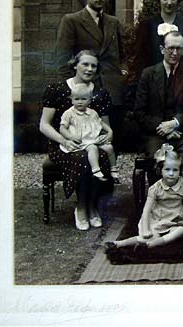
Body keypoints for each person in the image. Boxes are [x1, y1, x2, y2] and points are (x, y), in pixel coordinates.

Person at [39, 50, 114, 231]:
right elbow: (44, 125)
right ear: (74, 65)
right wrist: (63, 140)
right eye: (85, 64)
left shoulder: (100, 94)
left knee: (101, 156)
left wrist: (108, 136)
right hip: (63, 144)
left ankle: (92, 205)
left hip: (91, 142)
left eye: (93, 66)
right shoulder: (57, 89)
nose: (89, 69)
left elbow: (105, 126)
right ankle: (81, 207)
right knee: (81, 157)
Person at [55, 0, 128, 153]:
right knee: (86, 136)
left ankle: (110, 174)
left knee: (112, 133)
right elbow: (62, 58)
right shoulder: (72, 20)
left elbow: (122, 53)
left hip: (112, 87)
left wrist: (123, 71)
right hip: (85, 89)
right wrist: (72, 87)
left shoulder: (113, 22)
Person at [133, 31, 183, 166]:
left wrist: (174, 124)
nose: (175, 53)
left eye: (179, 48)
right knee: (158, 160)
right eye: (171, 48)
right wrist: (163, 128)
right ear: (162, 49)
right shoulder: (148, 74)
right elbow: (139, 112)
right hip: (155, 133)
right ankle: (156, 188)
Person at [105, 144, 183, 251]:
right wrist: (146, 229)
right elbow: (146, 211)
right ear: (160, 170)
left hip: (174, 222)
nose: (171, 173)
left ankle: (152, 244)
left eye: (175, 170)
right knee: (150, 236)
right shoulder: (155, 188)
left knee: (180, 231)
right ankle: (120, 243)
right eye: (167, 169)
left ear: (181, 171)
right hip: (156, 220)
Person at [132, 0, 183, 80]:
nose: (169, 2)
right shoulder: (147, 26)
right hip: (153, 82)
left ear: (177, 0)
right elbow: (140, 59)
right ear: (159, 0)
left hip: (181, 82)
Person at [59, 84, 120, 182]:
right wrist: (70, 137)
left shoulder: (92, 112)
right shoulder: (69, 113)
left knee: (109, 148)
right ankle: (96, 170)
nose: (79, 102)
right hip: (80, 140)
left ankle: (113, 168)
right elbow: (62, 129)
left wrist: (109, 131)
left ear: (89, 100)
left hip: (93, 137)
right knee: (92, 148)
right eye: (76, 99)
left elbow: (100, 123)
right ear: (71, 99)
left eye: (83, 99)